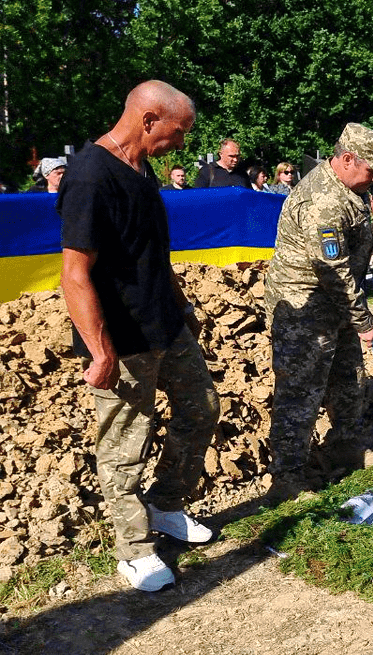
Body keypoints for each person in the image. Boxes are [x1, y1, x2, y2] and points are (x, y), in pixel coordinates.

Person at [59, 80, 217, 592]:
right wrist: (100, 350)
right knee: (125, 444)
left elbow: (153, 252)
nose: (181, 144)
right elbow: (75, 273)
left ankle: (166, 505)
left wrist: (183, 306)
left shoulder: (141, 167)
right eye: (178, 132)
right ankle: (134, 551)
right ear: (149, 119)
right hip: (122, 336)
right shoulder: (89, 176)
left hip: (165, 323)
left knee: (201, 407)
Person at [264, 123, 373, 494]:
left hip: (336, 306)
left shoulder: (348, 190)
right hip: (305, 310)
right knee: (301, 393)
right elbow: (333, 270)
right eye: (372, 172)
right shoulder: (323, 200)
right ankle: (287, 478)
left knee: (349, 382)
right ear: (349, 159)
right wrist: (363, 320)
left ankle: (343, 456)